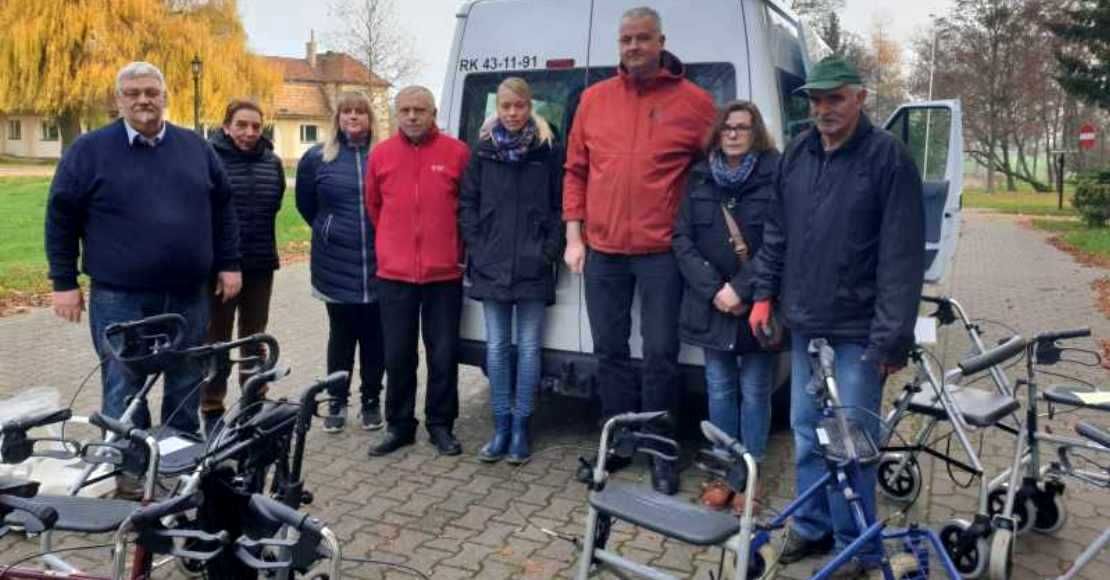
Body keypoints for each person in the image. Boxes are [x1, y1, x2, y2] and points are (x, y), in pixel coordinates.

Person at [749, 56, 925, 577]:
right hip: (805, 324)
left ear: (860, 98)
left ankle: (858, 546)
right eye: (816, 99)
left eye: (835, 98)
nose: (823, 109)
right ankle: (811, 526)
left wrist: (891, 339)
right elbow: (776, 232)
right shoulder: (798, 152)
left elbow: (901, 256)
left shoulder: (888, 158)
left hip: (858, 331)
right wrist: (764, 294)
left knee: (852, 440)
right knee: (807, 432)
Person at [562, 6, 715, 494]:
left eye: (642, 38)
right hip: (603, 249)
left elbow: (715, 171)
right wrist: (574, 236)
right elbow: (575, 171)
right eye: (626, 39)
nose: (633, 47)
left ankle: (660, 447)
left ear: (660, 42)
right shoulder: (594, 99)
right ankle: (619, 440)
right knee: (609, 350)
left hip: (661, 251)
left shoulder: (694, 103)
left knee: (661, 353)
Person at [45, 61, 241, 436]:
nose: (143, 100)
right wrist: (63, 282)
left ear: (165, 97)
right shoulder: (88, 150)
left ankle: (179, 452)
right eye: (132, 93)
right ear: (118, 100)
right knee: (123, 383)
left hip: (188, 293)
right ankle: (127, 457)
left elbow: (224, 208)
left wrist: (229, 263)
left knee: (186, 378)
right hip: (120, 297)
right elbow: (60, 218)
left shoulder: (195, 147)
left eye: (151, 92)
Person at [671, 101, 779, 511]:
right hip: (710, 304)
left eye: (743, 127)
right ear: (717, 133)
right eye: (727, 128)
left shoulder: (774, 176)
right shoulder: (699, 178)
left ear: (756, 133)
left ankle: (749, 476)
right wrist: (715, 289)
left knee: (755, 391)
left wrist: (741, 290)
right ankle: (723, 473)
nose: (733, 134)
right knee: (718, 389)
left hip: (756, 305)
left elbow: (779, 242)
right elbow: (681, 238)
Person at [458, 77, 565, 465]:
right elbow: (467, 203)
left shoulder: (548, 150)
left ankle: (521, 426)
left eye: (519, 106)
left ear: (529, 106)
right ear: (497, 108)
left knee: (530, 348)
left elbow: (560, 205)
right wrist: (478, 246)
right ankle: (500, 426)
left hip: (534, 265)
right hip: (491, 264)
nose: (513, 113)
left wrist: (549, 250)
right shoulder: (483, 150)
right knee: (498, 348)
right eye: (506, 106)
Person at [364, 86, 471, 457]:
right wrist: (394, 245)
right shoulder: (381, 155)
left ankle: (440, 424)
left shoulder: (457, 153)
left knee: (443, 354)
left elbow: (467, 208)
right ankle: (400, 425)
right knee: (398, 355)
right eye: (405, 110)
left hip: (444, 275)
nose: (412, 116)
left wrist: (455, 249)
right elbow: (374, 207)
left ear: (433, 113)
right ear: (397, 114)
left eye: (420, 110)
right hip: (395, 275)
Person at [296, 91, 385, 433]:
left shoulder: (383, 155)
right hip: (335, 262)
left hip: (379, 261)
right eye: (346, 111)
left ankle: (371, 400)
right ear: (337, 118)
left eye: (360, 112)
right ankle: (336, 400)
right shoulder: (317, 158)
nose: (353, 117)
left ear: (370, 118)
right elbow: (306, 204)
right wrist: (329, 229)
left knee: (375, 337)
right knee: (342, 336)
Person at [203, 98, 285, 436]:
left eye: (255, 126)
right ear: (226, 127)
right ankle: (211, 407)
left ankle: (254, 400)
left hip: (260, 262)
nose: (249, 132)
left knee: (254, 337)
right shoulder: (209, 158)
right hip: (219, 267)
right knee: (217, 340)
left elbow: (274, 204)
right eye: (241, 125)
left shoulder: (272, 162)